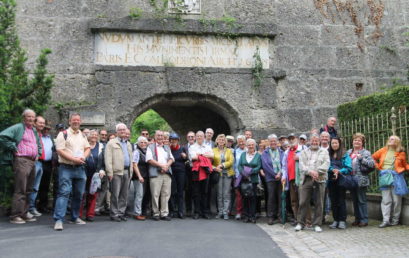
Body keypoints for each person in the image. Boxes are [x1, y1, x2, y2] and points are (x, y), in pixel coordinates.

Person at [0, 109, 42, 224]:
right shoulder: (18, 127)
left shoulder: (33, 130)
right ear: (24, 117)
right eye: (28, 116)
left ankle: (24, 212)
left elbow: (38, 144)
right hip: (21, 160)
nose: (31, 119)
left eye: (33, 117)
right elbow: (2, 136)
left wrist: (38, 153)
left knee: (29, 189)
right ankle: (16, 215)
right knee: (20, 189)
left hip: (32, 162)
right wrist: (13, 147)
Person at [53, 113, 90, 230]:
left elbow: (87, 148)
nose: (76, 122)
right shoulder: (63, 134)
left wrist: (84, 157)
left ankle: (74, 217)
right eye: (74, 120)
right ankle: (59, 220)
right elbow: (59, 150)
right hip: (66, 168)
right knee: (64, 193)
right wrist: (74, 159)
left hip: (80, 168)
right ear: (69, 122)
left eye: (78, 120)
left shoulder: (83, 136)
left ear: (80, 122)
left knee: (79, 194)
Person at [295, 134, 330, 233]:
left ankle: (317, 224)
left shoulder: (324, 151)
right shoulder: (303, 152)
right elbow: (301, 165)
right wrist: (310, 172)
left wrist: (317, 171)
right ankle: (300, 223)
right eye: (313, 141)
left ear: (319, 141)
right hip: (306, 178)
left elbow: (326, 164)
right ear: (309, 141)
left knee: (319, 202)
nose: (314, 142)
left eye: (316, 141)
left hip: (320, 178)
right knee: (303, 201)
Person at [373, 135, 409, 228]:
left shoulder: (401, 153)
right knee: (386, 200)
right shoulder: (383, 150)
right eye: (389, 138)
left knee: (397, 200)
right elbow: (372, 158)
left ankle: (395, 220)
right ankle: (385, 221)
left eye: (392, 139)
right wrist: (378, 167)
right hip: (385, 177)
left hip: (397, 178)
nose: (389, 140)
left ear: (397, 142)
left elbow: (405, 165)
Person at [105, 123, 133, 222]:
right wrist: (109, 172)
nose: (122, 131)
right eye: (120, 130)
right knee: (115, 194)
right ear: (116, 132)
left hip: (126, 171)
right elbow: (108, 159)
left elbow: (131, 158)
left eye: (124, 130)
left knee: (124, 194)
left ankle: (121, 213)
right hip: (116, 172)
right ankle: (114, 213)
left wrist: (131, 171)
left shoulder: (128, 143)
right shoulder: (111, 143)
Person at [347, 133, 375, 227]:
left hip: (361, 179)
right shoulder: (349, 152)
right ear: (352, 141)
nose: (357, 142)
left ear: (362, 142)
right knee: (354, 200)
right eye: (355, 140)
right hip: (351, 179)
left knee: (361, 200)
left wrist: (362, 159)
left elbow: (372, 164)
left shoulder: (365, 152)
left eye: (359, 140)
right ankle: (357, 219)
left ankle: (364, 220)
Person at [147, 130, 174, 221]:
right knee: (155, 194)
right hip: (156, 174)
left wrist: (166, 166)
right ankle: (155, 213)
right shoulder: (150, 147)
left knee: (166, 194)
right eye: (158, 135)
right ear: (155, 136)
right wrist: (161, 165)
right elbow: (149, 159)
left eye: (161, 136)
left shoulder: (166, 147)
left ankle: (164, 213)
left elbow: (171, 158)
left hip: (166, 173)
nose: (160, 137)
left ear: (164, 137)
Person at [79, 130, 105, 222]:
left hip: (95, 174)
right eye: (92, 135)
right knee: (81, 193)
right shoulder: (83, 145)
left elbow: (103, 160)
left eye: (95, 135)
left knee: (93, 194)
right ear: (88, 136)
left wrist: (102, 170)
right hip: (83, 172)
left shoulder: (101, 146)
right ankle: (79, 214)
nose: (94, 136)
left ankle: (90, 214)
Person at [282, 134, 307, 226]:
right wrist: (283, 176)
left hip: (301, 179)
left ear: (296, 139)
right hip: (291, 179)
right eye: (290, 139)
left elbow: (308, 160)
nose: (291, 140)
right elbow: (284, 166)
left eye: (293, 138)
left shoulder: (303, 149)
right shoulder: (287, 152)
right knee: (294, 201)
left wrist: (300, 157)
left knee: (303, 200)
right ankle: (297, 219)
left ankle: (303, 220)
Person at [327, 137, 352, 229]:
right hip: (331, 180)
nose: (334, 145)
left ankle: (342, 220)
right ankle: (335, 220)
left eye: (336, 143)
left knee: (341, 200)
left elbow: (349, 167)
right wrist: (332, 169)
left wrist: (339, 171)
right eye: (332, 143)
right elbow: (326, 165)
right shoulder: (328, 154)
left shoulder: (345, 155)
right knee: (333, 200)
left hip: (341, 180)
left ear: (339, 144)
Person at [189, 131, 214, 219]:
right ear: (195, 137)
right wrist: (204, 156)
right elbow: (193, 157)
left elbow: (212, 155)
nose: (199, 137)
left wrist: (200, 155)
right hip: (196, 172)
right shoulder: (192, 147)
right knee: (196, 192)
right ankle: (197, 212)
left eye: (201, 136)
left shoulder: (208, 146)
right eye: (198, 136)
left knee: (205, 192)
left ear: (204, 137)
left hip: (205, 171)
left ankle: (205, 212)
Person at [238, 138, 261, 223]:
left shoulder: (258, 155)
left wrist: (250, 172)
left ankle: (252, 216)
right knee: (245, 197)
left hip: (253, 180)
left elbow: (259, 166)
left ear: (255, 145)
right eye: (249, 145)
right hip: (244, 179)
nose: (250, 146)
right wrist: (243, 173)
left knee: (253, 198)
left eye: (252, 145)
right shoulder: (243, 154)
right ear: (246, 146)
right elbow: (239, 165)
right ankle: (246, 215)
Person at [261, 134, 282, 225]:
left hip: (281, 178)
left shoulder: (281, 152)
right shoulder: (265, 153)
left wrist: (280, 173)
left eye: (274, 141)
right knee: (271, 197)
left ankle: (280, 215)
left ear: (277, 142)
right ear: (269, 142)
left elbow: (284, 163)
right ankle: (271, 216)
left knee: (280, 197)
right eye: (271, 141)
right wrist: (274, 174)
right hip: (270, 178)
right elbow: (265, 165)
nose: (273, 142)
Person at [28, 116, 46, 217]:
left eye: (43, 123)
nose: (42, 125)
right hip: (34, 162)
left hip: (40, 163)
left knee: (35, 188)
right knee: (30, 187)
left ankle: (31, 207)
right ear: (34, 123)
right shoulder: (32, 133)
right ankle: (28, 208)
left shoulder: (39, 134)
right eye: (40, 123)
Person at [212, 134, 234, 220]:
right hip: (218, 174)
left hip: (227, 173)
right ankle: (220, 211)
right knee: (219, 194)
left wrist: (222, 165)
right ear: (216, 141)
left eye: (223, 140)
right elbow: (210, 163)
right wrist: (215, 168)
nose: (221, 141)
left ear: (225, 141)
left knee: (226, 193)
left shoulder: (229, 151)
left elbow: (231, 161)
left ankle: (226, 212)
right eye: (219, 139)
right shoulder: (213, 150)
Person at [37, 121, 55, 213]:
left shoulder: (50, 139)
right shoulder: (38, 137)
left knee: (45, 185)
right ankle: (33, 206)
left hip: (48, 164)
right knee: (36, 184)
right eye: (45, 128)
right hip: (39, 162)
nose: (46, 130)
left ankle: (43, 206)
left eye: (48, 129)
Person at [168, 133, 187, 218]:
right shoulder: (168, 149)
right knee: (172, 192)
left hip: (181, 172)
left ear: (178, 140)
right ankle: (172, 210)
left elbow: (187, 159)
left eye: (175, 140)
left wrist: (185, 156)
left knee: (180, 192)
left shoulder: (182, 148)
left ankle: (180, 211)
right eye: (172, 140)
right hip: (172, 172)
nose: (174, 141)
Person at [130, 136, 148, 221]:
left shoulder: (146, 151)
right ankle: (137, 213)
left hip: (144, 176)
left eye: (145, 142)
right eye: (141, 142)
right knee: (139, 195)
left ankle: (139, 211)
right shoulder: (136, 152)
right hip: (138, 177)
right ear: (138, 143)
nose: (143, 144)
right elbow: (134, 164)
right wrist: (139, 176)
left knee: (142, 194)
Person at [233, 135, 246, 220]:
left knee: (248, 194)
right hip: (238, 176)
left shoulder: (249, 150)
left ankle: (246, 212)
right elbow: (234, 164)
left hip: (248, 176)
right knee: (239, 195)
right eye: (239, 141)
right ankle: (239, 212)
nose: (241, 142)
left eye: (242, 141)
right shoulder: (235, 151)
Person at [183, 131, 196, 216]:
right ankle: (188, 209)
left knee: (196, 191)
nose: (191, 138)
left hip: (196, 171)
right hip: (187, 172)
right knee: (187, 190)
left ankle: (196, 210)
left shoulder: (197, 147)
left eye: (192, 137)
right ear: (187, 138)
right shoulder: (183, 147)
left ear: (194, 137)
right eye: (189, 137)